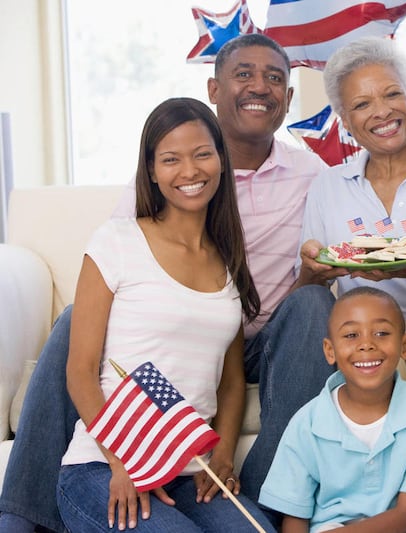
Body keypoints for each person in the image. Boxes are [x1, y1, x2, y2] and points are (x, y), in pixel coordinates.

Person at [0, 34, 333, 532]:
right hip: (159, 371)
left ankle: (266, 496)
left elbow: (232, 376)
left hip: (258, 337)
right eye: (244, 74)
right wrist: (120, 458)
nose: (259, 87)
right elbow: (119, 262)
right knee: (76, 320)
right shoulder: (126, 231)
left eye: (274, 78)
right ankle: (21, 513)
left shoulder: (311, 175)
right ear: (215, 88)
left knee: (310, 304)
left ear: (288, 97)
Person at [55, 96, 274, 532]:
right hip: (104, 466)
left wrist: (225, 452)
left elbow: (230, 381)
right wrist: (124, 463)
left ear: (221, 160)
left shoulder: (227, 259)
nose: (190, 172)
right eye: (171, 159)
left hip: (192, 468)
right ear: (152, 172)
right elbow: (80, 372)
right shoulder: (116, 241)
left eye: (202, 154)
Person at [292, 36, 406, 530]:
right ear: (345, 121)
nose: (382, 111)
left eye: (392, 95)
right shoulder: (329, 186)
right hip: (369, 338)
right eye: (361, 104)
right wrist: (314, 269)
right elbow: (306, 291)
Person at [259, 287, 406, 533]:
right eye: (351, 335)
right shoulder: (307, 423)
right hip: (331, 526)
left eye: (381, 333)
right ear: (329, 350)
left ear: (405, 345)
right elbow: (295, 517)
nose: (366, 344)